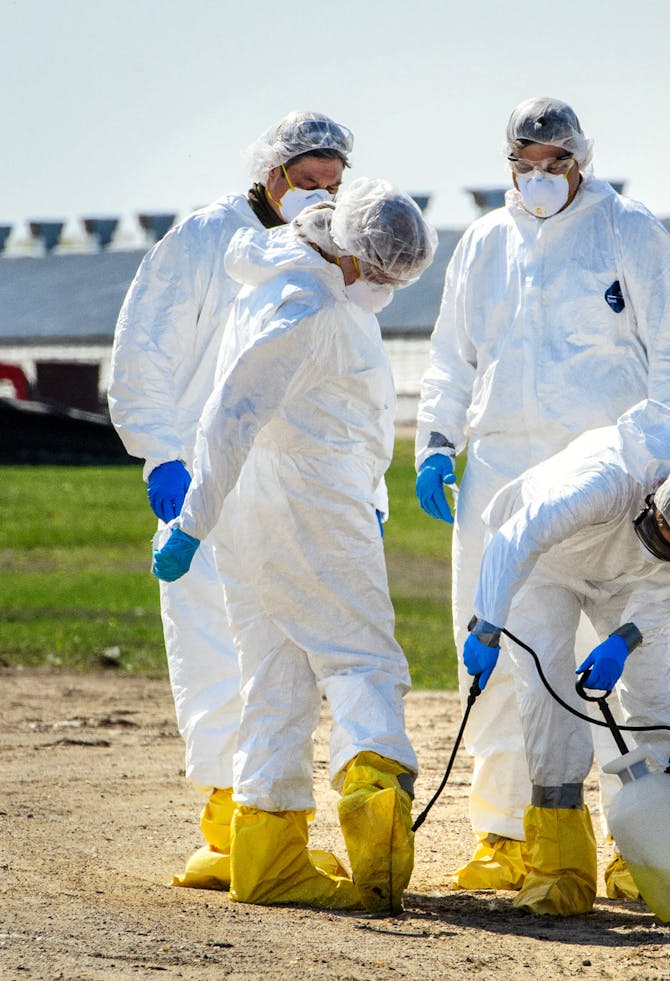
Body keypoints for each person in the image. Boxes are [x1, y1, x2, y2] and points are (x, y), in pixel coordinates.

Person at [413, 97, 670, 894]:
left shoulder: (631, 233)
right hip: (501, 478)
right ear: (508, 164)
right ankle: (508, 833)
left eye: (556, 162)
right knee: (506, 657)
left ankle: (652, 837)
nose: (541, 177)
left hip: (614, 478)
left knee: (641, 659)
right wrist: (437, 443)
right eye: (526, 164)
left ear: (583, 158)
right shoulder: (483, 243)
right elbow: (452, 356)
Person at [150, 178, 437, 915]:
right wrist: (189, 523)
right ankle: (377, 830)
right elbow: (229, 416)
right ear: (354, 253)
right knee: (363, 660)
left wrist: (207, 520)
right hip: (311, 501)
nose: (383, 288)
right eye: (381, 273)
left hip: (259, 509)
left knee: (275, 671)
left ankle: (270, 853)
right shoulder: (306, 306)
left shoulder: (284, 277)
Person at [108, 111, 354, 890]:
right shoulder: (201, 239)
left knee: (283, 651)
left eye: (333, 186)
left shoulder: (319, 249)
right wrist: (160, 457)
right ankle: (228, 824)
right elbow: (143, 350)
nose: (320, 196)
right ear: (273, 173)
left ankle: (268, 816)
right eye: (309, 181)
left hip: (285, 482)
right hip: (199, 479)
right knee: (215, 646)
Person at [459, 399, 670, 917]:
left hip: (639, 585)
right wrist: (487, 627)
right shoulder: (600, 483)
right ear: (650, 502)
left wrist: (627, 637)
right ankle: (559, 870)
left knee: (663, 695)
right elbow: (514, 540)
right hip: (548, 566)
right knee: (547, 693)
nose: (664, 545)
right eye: (658, 535)